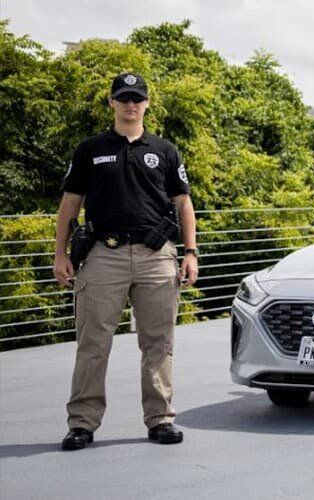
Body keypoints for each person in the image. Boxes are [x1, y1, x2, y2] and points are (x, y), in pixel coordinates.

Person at [53, 72, 199, 450]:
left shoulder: (165, 150)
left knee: (158, 343)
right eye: (123, 98)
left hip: (157, 257)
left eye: (136, 98)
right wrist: (59, 254)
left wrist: (190, 252)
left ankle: (160, 419)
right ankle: (82, 424)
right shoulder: (90, 149)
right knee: (93, 343)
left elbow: (184, 205)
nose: (130, 104)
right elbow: (70, 204)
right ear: (111, 103)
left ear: (147, 104)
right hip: (104, 255)